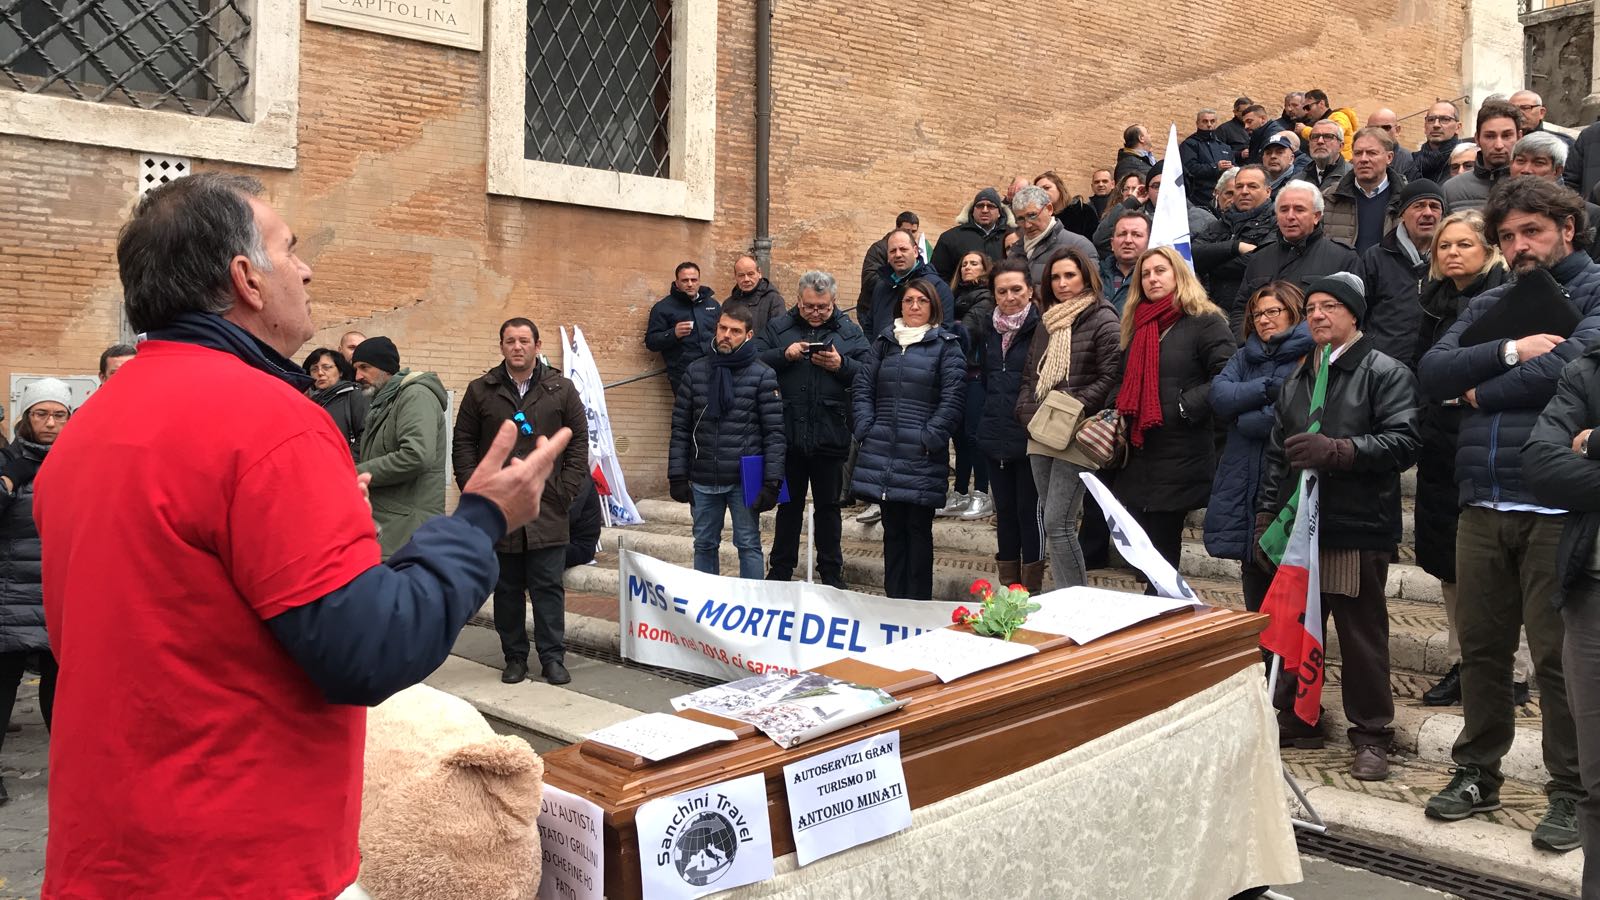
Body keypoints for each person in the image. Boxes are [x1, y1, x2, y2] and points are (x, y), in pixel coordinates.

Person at [32, 172, 572, 895]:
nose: (308, 267)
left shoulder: (87, 426)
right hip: (240, 861)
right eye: (291, 247)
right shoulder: (269, 422)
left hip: (104, 853)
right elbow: (372, 648)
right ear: (246, 279)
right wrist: (480, 520)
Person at [1417, 176, 1597, 852]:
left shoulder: (1597, 293)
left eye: (1534, 232)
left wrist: (1477, 394)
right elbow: (1432, 371)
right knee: (1484, 652)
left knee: (1558, 662)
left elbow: (1577, 371)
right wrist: (1512, 351)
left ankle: (1573, 792)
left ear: (1567, 231)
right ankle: (1476, 771)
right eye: (1510, 236)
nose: (1520, 246)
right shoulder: (1491, 300)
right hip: (1482, 499)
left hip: (1560, 506)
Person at [1255, 272, 1421, 781]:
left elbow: (1405, 441)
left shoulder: (1384, 372)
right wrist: (1266, 512)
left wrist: (1341, 452)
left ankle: (1371, 735)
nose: (1319, 316)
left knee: (1359, 636)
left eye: (1330, 306)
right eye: (1312, 309)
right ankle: (1298, 716)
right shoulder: (1299, 377)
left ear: (1354, 314)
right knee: (1294, 627)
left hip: (1355, 526)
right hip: (1300, 529)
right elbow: (1277, 454)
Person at [453, 317, 590, 686]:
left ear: (537, 345)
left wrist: (566, 490)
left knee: (548, 587)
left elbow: (578, 441)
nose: (517, 347)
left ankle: (552, 658)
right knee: (507, 589)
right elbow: (464, 442)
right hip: (499, 507)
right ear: (501, 346)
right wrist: (474, 490)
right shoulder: (481, 390)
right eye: (510, 341)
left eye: (524, 340)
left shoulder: (560, 388)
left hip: (548, 507)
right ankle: (514, 657)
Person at [1411, 211, 1511, 708]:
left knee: (1497, 565)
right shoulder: (1430, 302)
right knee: (1450, 562)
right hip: (1440, 445)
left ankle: (1507, 668)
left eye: (1464, 244)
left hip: (1492, 440)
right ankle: (1463, 661)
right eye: (1444, 246)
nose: (1452, 253)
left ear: (1489, 250)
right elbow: (1424, 371)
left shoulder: (1511, 300)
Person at [1524, 329, 1600, 896]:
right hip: (1591, 595)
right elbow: (1542, 466)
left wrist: (1594, 442)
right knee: (1597, 785)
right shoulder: (1588, 371)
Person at [1114, 246, 1236, 572]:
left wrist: (1182, 406)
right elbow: (1121, 378)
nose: (1153, 278)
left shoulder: (1206, 321)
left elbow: (1227, 376)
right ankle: (1155, 607)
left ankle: (1165, 610)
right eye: (1146, 273)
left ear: (1179, 275)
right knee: (1143, 547)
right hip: (1139, 450)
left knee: (1164, 541)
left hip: (1181, 450)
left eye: (1160, 271)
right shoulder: (1137, 324)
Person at [850, 280, 964, 600]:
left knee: (917, 532)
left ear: (933, 307)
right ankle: (893, 605)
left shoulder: (946, 345)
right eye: (908, 300)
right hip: (883, 451)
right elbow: (862, 389)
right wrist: (866, 428)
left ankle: (917, 607)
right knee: (892, 533)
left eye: (921, 301)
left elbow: (953, 399)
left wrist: (930, 437)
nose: (914, 306)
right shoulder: (884, 343)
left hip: (921, 455)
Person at [755, 271, 869, 588]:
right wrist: (784, 355)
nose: (815, 313)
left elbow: (870, 373)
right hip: (787, 435)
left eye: (822, 307)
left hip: (831, 435)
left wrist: (841, 365)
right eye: (809, 307)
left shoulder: (850, 331)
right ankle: (780, 570)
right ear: (798, 301)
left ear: (833, 302)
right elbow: (753, 359)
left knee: (829, 509)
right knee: (787, 507)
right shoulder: (779, 328)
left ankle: (831, 572)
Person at [1204, 284, 1313, 612]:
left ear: (1293, 312)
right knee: (1252, 570)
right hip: (1242, 475)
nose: (1264, 320)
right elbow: (1219, 396)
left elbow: (1293, 412)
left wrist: (1246, 411)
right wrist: (1267, 387)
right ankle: (1263, 654)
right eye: (1257, 314)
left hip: (1281, 477)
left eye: (1272, 312)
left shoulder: (1309, 354)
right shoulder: (1243, 355)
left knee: (1284, 577)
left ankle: (1285, 660)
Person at [1017, 248, 1121, 590]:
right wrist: (1026, 412)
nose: (1062, 284)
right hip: (1041, 428)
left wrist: (1070, 408)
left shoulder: (1104, 317)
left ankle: (1076, 599)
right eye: (1056, 277)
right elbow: (1031, 375)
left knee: (1058, 521)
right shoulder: (1048, 320)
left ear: (1086, 277)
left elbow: (1110, 376)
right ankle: (1066, 594)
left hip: (1077, 431)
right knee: (1052, 521)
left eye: (1070, 276)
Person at [668, 307, 785, 579]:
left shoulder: (763, 375)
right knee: (704, 545)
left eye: (735, 331)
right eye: (723, 328)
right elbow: (681, 428)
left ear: (748, 335)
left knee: (748, 545)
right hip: (703, 476)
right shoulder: (695, 371)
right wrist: (676, 474)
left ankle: (752, 606)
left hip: (744, 478)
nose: (726, 335)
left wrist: (772, 483)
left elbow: (775, 433)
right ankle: (707, 607)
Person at [0, 379, 71, 807]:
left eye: (58, 414)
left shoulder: (79, 458)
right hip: (11, 596)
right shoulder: (8, 459)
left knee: (60, 693)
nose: (50, 423)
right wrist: (8, 480)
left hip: (60, 592)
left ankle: (70, 770)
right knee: (3, 688)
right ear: (27, 418)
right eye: (41, 414)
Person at [969, 258, 1046, 590]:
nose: (1010, 296)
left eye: (1017, 289)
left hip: (1030, 437)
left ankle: (1030, 588)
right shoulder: (987, 329)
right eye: (1002, 291)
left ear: (1030, 290)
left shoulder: (1043, 328)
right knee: (1005, 515)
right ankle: (1009, 588)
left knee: (1029, 514)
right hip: (994, 434)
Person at [353, 336, 448, 559]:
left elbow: (416, 455)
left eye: (365, 367)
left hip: (406, 531)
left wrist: (355, 474)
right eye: (356, 368)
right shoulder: (385, 402)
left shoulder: (415, 396)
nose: (358, 376)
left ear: (385, 368)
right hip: (392, 526)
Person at [1232, 180, 1360, 338]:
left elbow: (1352, 314)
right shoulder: (1259, 258)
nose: (1290, 216)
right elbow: (1241, 310)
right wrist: (1248, 345)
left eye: (1299, 209)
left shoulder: (1342, 257)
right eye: (1284, 210)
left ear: (1316, 216)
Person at [1360, 180, 1445, 366]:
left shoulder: (1451, 259)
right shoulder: (1376, 257)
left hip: (1435, 367)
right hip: (1383, 366)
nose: (1428, 213)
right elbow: (1360, 313)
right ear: (1403, 213)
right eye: (1419, 206)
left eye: (1434, 206)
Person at [1194, 164, 1276, 325]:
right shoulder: (1218, 224)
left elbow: (1257, 261)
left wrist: (1209, 264)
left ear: (1268, 191)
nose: (1244, 191)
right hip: (1210, 314)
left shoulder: (1277, 223)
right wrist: (1235, 247)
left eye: (1252, 186)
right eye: (1239, 186)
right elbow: (1192, 255)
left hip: (1251, 317)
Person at [945, 250, 994, 520]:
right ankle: (961, 491)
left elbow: (969, 329)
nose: (967, 268)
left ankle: (982, 494)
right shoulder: (953, 297)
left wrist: (947, 327)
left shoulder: (986, 296)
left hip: (976, 373)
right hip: (957, 374)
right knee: (959, 436)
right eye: (963, 263)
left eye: (974, 263)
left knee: (974, 436)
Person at [1093, 162, 1216, 256]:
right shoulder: (1135, 216)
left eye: (1169, 184)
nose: (1162, 190)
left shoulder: (1204, 219)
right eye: (1155, 186)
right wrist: (1131, 202)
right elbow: (1101, 240)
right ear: (1147, 190)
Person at [1322, 126, 1407, 253]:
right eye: (1358, 153)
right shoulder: (1329, 198)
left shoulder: (1407, 200)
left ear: (1389, 157)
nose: (1363, 159)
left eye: (1372, 153)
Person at [863, 228, 955, 340]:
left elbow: (944, 329)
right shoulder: (881, 286)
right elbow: (869, 325)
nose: (898, 255)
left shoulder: (936, 287)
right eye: (892, 251)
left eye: (903, 249)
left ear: (915, 251)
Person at [646, 262, 722, 398]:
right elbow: (651, 342)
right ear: (677, 282)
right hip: (682, 372)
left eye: (694, 280)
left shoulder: (712, 305)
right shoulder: (663, 308)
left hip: (713, 368)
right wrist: (673, 333)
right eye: (685, 280)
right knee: (687, 413)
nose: (690, 284)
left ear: (699, 281)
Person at [1443, 100, 1524, 213]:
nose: (1499, 145)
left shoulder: (1531, 185)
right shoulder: (1451, 189)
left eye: (1506, 136)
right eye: (1490, 136)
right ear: (1477, 139)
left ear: (1519, 137)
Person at [929, 188, 1013, 288]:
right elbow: (937, 276)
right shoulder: (951, 238)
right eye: (980, 206)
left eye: (990, 206)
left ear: (999, 212)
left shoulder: (1011, 238)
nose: (985, 210)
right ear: (973, 210)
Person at [301, 346, 368, 461]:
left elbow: (365, 433)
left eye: (326, 368)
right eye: (314, 369)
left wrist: (347, 461)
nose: (320, 373)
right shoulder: (307, 400)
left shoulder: (353, 394)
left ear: (340, 371)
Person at [858, 211, 922, 312]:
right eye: (907, 230)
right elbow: (869, 279)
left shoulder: (917, 251)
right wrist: (896, 281)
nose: (910, 235)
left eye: (914, 231)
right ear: (897, 228)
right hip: (872, 307)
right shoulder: (878, 249)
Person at [1180, 108, 1236, 210]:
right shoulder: (1189, 144)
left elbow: (1234, 169)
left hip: (1224, 198)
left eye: (1212, 121)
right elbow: (1189, 168)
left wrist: (1231, 169)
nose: (1209, 124)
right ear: (1197, 123)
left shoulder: (1224, 147)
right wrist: (1215, 167)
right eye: (1205, 121)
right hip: (1198, 198)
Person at [1100, 211, 1150, 313]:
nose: (1128, 240)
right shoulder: (1095, 275)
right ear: (1112, 244)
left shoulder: (1154, 279)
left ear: (1149, 242)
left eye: (1136, 235)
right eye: (1122, 234)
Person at [723, 255, 785, 336]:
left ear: (759, 273)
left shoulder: (774, 301)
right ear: (735, 277)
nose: (746, 279)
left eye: (750, 274)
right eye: (741, 275)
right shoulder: (728, 304)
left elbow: (779, 334)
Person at [1034, 170, 1100, 241]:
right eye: (1038, 191)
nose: (1042, 193)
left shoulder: (1083, 211)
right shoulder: (1040, 218)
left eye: (1047, 188)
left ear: (1059, 188)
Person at [1410, 101, 1464, 184]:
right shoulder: (1411, 161)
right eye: (1431, 119)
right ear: (1425, 126)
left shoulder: (1466, 161)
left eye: (1445, 119)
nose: (1436, 125)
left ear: (1458, 127)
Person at [1299, 89, 1358, 159]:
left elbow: (1335, 133)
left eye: (1308, 107)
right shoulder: (1320, 121)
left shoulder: (1338, 116)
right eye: (1304, 109)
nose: (1306, 112)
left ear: (1321, 103)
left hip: (1341, 164)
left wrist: (1304, 130)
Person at [565, 477, 602, 569]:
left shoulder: (579, 479)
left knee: (540, 553)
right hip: (566, 541)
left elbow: (568, 516)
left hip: (580, 546)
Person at [1305, 120, 1352, 190]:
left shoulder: (1354, 178)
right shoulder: (1298, 180)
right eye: (1315, 136)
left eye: (1328, 136)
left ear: (1341, 146)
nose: (1320, 141)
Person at [1367, 107, 1415, 176]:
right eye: (1373, 129)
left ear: (1397, 130)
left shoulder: (1407, 161)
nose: (1380, 133)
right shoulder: (1358, 159)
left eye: (1386, 128)